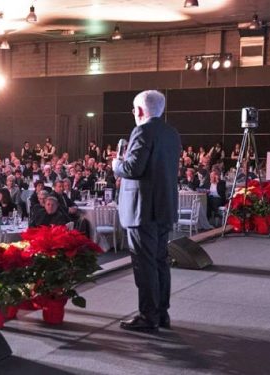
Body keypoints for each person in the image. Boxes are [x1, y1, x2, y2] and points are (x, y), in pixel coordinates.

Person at [112, 90, 181, 333]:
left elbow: (132, 168)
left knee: (145, 264)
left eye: (134, 109)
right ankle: (162, 313)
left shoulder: (142, 131)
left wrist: (115, 165)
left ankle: (147, 315)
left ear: (140, 111)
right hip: (163, 208)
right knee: (161, 261)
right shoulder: (171, 133)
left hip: (142, 210)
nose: (134, 114)